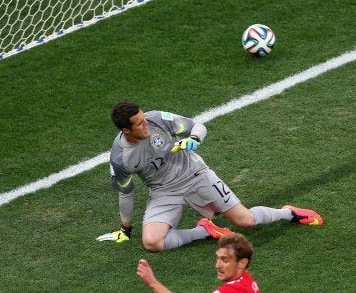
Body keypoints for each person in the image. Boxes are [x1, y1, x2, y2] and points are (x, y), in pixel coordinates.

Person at [96, 101, 323, 252]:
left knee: (246, 221)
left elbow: (197, 126)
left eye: (145, 119)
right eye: (140, 124)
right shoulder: (120, 158)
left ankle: (288, 213)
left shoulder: (157, 119)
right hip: (164, 191)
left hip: (195, 175)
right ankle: (205, 230)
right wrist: (126, 229)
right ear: (126, 130)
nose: (147, 124)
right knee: (152, 243)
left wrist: (194, 138)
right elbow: (125, 193)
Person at [136, 232, 260, 292]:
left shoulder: (231, 290)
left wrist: (152, 282)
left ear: (242, 262)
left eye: (225, 260)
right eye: (218, 258)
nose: (217, 265)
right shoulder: (248, 281)